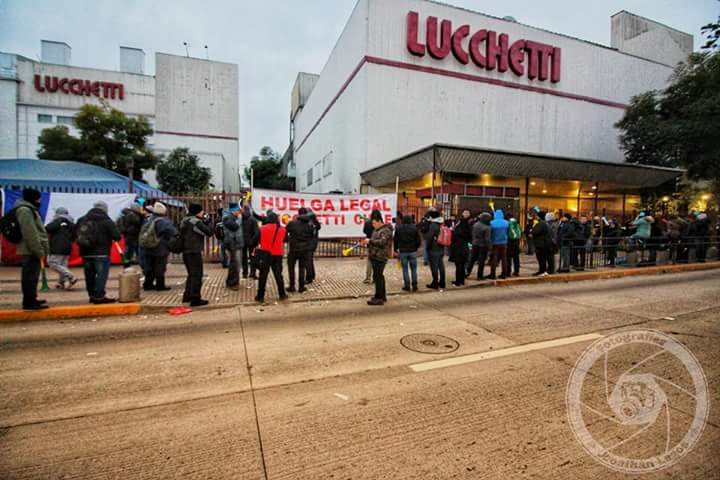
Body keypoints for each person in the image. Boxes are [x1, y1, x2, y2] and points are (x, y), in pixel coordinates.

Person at [76, 200, 121, 304]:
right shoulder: (107, 220)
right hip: (102, 253)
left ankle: (91, 295)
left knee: (89, 275)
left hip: (85, 252)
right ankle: (99, 296)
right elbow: (117, 236)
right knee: (101, 275)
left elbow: (75, 234)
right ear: (105, 209)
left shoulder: (82, 219)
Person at [15, 189, 50, 310]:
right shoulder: (25, 210)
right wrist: (38, 250)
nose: (40, 200)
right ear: (33, 198)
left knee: (33, 277)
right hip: (30, 249)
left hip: (32, 249)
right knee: (29, 277)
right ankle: (29, 302)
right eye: (38, 198)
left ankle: (32, 298)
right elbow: (30, 232)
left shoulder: (29, 209)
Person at [180, 204, 213, 306]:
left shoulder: (185, 220)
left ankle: (187, 296)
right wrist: (208, 222)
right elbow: (209, 232)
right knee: (197, 275)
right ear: (198, 212)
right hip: (194, 251)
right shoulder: (195, 222)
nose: (203, 213)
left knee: (191, 274)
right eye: (202, 211)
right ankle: (195, 299)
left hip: (185, 251)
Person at [141, 202, 177, 291]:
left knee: (149, 267)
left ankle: (147, 284)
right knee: (160, 267)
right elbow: (173, 232)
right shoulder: (163, 221)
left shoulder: (148, 219)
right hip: (160, 248)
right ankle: (160, 285)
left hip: (147, 247)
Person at [255, 212, 287, 304]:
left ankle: (260, 296)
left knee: (263, 276)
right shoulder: (282, 229)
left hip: (265, 254)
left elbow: (254, 240)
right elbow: (286, 240)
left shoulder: (262, 229)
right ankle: (282, 294)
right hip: (278, 254)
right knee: (278, 275)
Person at [364, 210, 393, 305]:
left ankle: (379, 298)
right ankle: (381, 296)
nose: (373, 225)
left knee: (378, 277)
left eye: (374, 223)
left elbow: (382, 242)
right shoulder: (377, 230)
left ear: (379, 221)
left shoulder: (386, 230)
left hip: (380, 256)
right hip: (375, 256)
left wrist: (370, 241)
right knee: (379, 277)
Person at [45, 206, 78, 289]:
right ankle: (61, 282)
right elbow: (75, 236)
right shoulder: (71, 223)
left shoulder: (57, 220)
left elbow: (47, 228)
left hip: (56, 246)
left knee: (52, 262)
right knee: (63, 265)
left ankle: (71, 277)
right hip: (68, 246)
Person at [285, 207, 315, 293]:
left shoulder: (292, 223)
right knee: (302, 268)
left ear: (298, 213)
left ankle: (292, 286)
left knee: (291, 267)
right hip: (305, 249)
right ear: (306, 214)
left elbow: (285, 232)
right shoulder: (310, 224)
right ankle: (301, 287)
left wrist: (289, 239)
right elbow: (312, 236)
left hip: (293, 248)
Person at [394, 214, 422, 291]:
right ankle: (415, 285)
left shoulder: (399, 228)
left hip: (403, 252)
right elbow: (418, 240)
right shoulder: (414, 228)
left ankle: (407, 286)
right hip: (412, 251)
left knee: (405, 269)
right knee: (414, 269)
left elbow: (395, 240)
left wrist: (396, 249)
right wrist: (415, 248)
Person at [222, 203, 244, 290]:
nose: (239, 212)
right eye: (238, 210)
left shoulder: (234, 216)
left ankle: (233, 281)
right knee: (235, 264)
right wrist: (239, 219)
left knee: (236, 264)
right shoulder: (226, 218)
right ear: (233, 211)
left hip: (237, 244)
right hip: (232, 244)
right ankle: (232, 283)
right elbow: (234, 227)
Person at [424, 209, 446, 289]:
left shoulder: (433, 225)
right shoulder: (442, 223)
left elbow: (429, 237)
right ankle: (442, 282)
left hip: (434, 248)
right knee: (441, 266)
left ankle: (435, 283)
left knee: (434, 267)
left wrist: (428, 247)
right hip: (441, 247)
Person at [449, 210, 472, 286]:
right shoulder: (468, 228)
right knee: (462, 265)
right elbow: (469, 237)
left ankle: (458, 281)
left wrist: (452, 231)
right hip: (465, 248)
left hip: (458, 248)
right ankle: (462, 281)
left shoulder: (458, 229)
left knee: (458, 265)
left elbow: (453, 237)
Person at [468, 212, 491, 280]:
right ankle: (479, 276)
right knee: (481, 261)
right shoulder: (487, 228)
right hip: (483, 246)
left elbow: (472, 234)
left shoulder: (476, 225)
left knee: (472, 260)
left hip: (475, 244)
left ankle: (467, 272)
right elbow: (487, 239)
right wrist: (489, 247)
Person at [489, 209, 509, 279]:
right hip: (504, 243)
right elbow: (508, 232)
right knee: (504, 259)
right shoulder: (506, 222)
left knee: (494, 259)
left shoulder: (492, 223)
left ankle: (492, 274)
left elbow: (490, 233)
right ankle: (504, 274)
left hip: (494, 243)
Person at [241, 205, 260, 279]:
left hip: (242, 241)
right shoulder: (253, 220)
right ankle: (252, 273)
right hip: (251, 242)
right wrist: (254, 241)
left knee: (244, 258)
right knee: (253, 258)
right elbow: (257, 232)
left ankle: (244, 273)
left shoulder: (240, 219)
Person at [531, 212, 552, 276]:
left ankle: (542, 271)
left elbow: (535, 231)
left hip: (541, 243)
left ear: (539, 216)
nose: (536, 217)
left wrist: (532, 231)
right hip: (543, 243)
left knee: (541, 258)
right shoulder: (544, 223)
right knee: (542, 258)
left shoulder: (541, 223)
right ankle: (542, 270)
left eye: (537, 216)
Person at [306, 209, 321, 284]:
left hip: (309, 244)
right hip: (314, 243)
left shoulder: (309, 223)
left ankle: (309, 277)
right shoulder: (315, 222)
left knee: (308, 260)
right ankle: (312, 274)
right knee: (310, 260)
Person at [362, 214, 375, 283]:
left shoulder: (367, 223)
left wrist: (365, 223)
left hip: (369, 244)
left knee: (369, 261)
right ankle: (375, 278)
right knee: (376, 261)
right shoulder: (378, 223)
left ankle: (368, 278)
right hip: (376, 244)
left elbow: (364, 231)